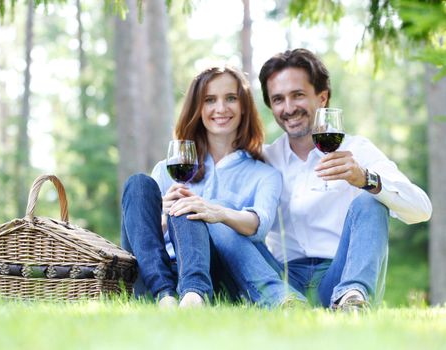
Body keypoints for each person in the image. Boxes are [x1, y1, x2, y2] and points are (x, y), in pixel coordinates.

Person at [253, 48, 433, 310]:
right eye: (278, 99)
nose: (289, 108)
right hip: (284, 280)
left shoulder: (356, 150)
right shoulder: (265, 159)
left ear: (322, 98)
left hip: (339, 275)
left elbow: (422, 210)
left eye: (298, 95)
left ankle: (352, 300)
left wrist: (366, 179)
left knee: (371, 200)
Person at [120, 65, 282, 307]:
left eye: (231, 98)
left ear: (244, 106)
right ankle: (164, 296)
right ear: (198, 107)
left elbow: (260, 226)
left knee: (190, 208)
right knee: (137, 184)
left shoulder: (264, 174)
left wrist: (217, 213)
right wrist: (163, 216)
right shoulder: (167, 169)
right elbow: (146, 239)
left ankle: (193, 295)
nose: (220, 108)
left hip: (214, 274)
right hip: (157, 271)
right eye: (209, 100)